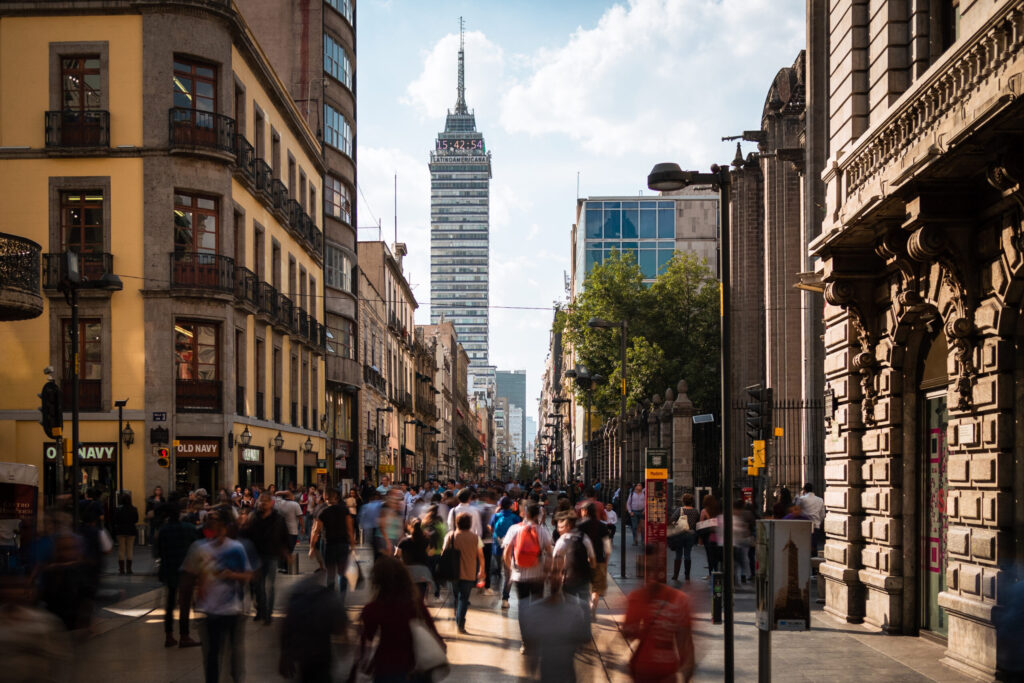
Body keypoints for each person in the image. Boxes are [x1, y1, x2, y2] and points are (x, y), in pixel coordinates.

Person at [182, 511, 253, 683]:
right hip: (209, 610)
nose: (216, 531)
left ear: (225, 528)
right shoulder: (200, 548)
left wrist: (232, 575)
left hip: (232, 609)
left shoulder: (236, 548)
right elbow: (189, 575)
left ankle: (236, 678)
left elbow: (248, 574)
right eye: (212, 526)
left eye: (219, 527)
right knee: (212, 653)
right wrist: (189, 598)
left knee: (233, 652)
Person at [358, 555, 444, 681]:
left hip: (385, 667)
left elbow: (367, 640)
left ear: (377, 580)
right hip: (413, 667)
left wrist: (365, 665)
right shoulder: (414, 603)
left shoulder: (373, 608)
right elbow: (431, 628)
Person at [623, 544, 696, 683]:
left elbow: (686, 644)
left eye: (654, 569)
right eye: (648, 570)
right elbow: (628, 632)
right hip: (646, 673)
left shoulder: (679, 600)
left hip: (661, 673)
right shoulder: (637, 598)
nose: (652, 576)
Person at [519, 569, 591, 682]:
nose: (556, 578)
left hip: (551, 672)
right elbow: (585, 637)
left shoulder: (534, 610)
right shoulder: (576, 609)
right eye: (553, 574)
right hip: (562, 672)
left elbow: (530, 643)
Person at [503, 503, 554, 654]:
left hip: (519, 576)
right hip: (538, 575)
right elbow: (550, 552)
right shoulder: (542, 531)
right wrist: (547, 570)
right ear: (538, 515)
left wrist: (510, 568)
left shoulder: (514, 529)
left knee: (523, 607)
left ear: (525, 514)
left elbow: (506, 552)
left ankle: (525, 643)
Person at [278, 574, 347, 683]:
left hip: (304, 656)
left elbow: (286, 626)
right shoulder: (328, 597)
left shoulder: (298, 596)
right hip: (322, 656)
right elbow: (339, 628)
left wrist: (285, 655)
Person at [155, 500, 201, 648]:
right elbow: (198, 545)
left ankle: (169, 636)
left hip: (169, 569)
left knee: (169, 604)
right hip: (185, 571)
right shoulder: (188, 528)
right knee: (184, 603)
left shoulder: (163, 530)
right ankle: (184, 635)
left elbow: (157, 552)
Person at [242, 492, 288, 624]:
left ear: (271, 503)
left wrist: (285, 551)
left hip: (272, 555)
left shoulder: (278, 518)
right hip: (256, 555)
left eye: (265, 501)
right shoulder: (253, 517)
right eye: (261, 501)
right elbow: (247, 535)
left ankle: (268, 613)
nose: (262, 503)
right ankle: (261, 610)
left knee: (270, 586)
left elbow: (283, 535)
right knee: (258, 586)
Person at [442, 512, 485, 634]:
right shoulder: (476, 538)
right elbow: (481, 556)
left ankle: (458, 619)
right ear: (470, 524)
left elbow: (443, 552)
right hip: (469, 572)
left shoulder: (450, 536)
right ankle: (460, 623)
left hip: (453, 572)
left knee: (456, 597)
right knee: (464, 598)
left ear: (457, 523)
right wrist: (482, 570)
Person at [315, 488, 354, 592]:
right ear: (336, 497)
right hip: (343, 544)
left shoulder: (323, 511)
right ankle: (341, 600)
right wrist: (353, 545)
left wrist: (311, 546)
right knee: (342, 572)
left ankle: (330, 599)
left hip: (329, 544)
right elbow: (350, 530)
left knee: (330, 574)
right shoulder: (345, 510)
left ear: (325, 497)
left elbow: (316, 530)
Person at [552, 511, 595, 606]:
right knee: (584, 603)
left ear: (568, 526)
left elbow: (555, 562)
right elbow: (592, 559)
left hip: (568, 579)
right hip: (584, 578)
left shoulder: (563, 541)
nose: (558, 530)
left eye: (561, 527)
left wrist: (557, 577)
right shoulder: (584, 538)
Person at [578, 501, 611, 615]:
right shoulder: (602, 526)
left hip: (582, 562)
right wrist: (606, 561)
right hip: (599, 560)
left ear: (585, 511)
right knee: (596, 589)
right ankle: (593, 607)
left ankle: (586, 608)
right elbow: (607, 546)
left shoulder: (579, 526)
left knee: (584, 588)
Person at [490, 497, 522, 609]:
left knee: (496, 571)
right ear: (510, 505)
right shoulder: (516, 518)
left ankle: (495, 591)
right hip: (510, 549)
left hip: (496, 547)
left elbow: (491, 528)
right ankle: (505, 598)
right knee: (508, 574)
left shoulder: (495, 516)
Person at [396, 517, 433, 601]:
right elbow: (430, 554)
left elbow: (397, 555)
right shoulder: (426, 540)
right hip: (423, 572)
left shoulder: (404, 541)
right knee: (420, 599)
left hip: (408, 572)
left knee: (408, 597)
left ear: (410, 527)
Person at [668, 493, 700, 582]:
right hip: (690, 534)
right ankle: (687, 575)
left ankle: (675, 575)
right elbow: (697, 522)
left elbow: (672, 520)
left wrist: (677, 525)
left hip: (680, 534)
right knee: (687, 554)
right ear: (692, 501)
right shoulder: (695, 511)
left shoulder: (680, 510)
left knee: (678, 554)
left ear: (683, 501)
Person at [795, 483, 826, 558]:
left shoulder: (802, 499)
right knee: (814, 547)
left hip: (804, 526)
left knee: (804, 547)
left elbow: (796, 510)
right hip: (816, 526)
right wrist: (818, 522)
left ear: (804, 490)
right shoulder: (820, 500)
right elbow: (822, 515)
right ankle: (813, 565)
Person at [112, 492, 139, 575]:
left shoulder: (118, 509)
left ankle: (121, 569)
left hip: (120, 530)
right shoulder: (134, 509)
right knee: (129, 550)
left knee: (121, 550)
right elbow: (136, 520)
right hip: (131, 530)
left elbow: (115, 520)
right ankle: (129, 569)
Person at [698, 494, 721, 578]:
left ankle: (711, 573)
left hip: (708, 535)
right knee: (717, 554)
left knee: (710, 555)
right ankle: (717, 571)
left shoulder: (704, 511)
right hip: (718, 534)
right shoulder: (718, 510)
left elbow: (701, 524)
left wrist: (699, 539)